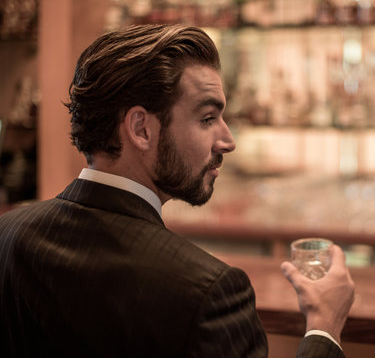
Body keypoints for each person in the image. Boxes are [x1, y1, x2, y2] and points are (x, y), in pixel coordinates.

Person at [0, 24, 355, 357]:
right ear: (141, 128)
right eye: (207, 119)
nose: (228, 141)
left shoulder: (8, 234)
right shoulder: (210, 291)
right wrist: (324, 328)